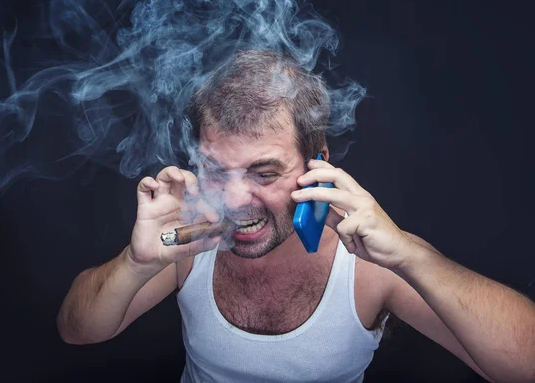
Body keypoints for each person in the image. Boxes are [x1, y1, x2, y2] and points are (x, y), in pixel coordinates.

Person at [56, 50, 535, 382]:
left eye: (263, 172)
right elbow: (77, 331)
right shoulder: (189, 241)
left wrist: (411, 256)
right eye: (217, 170)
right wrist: (137, 264)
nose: (237, 198)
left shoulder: (372, 262)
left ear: (317, 163)